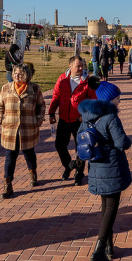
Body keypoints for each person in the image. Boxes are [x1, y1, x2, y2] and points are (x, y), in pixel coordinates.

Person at [78, 81, 132, 261]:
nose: (119, 101)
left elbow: (80, 138)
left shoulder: (87, 115)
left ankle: (109, 246)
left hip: (96, 165)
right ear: (109, 99)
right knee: (112, 208)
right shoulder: (110, 117)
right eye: (118, 97)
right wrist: (128, 141)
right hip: (111, 165)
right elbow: (121, 143)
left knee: (105, 206)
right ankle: (99, 250)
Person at [0, 63, 46, 198]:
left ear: (27, 75)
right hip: (10, 129)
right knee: (10, 156)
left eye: (20, 74)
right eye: (15, 73)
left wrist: (39, 119)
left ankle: (33, 173)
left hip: (28, 128)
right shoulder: (6, 88)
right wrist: (0, 118)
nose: (17, 76)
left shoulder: (34, 89)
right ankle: (7, 184)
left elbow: (41, 105)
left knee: (29, 153)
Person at [49, 56, 97, 186]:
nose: (81, 68)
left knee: (81, 148)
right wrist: (51, 112)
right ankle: (69, 166)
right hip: (64, 119)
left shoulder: (88, 81)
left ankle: (79, 174)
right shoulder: (62, 79)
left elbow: (93, 101)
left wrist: (85, 116)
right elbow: (56, 96)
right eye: (78, 66)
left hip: (79, 121)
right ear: (70, 66)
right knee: (60, 145)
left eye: (82, 66)